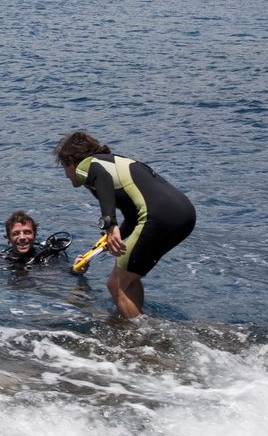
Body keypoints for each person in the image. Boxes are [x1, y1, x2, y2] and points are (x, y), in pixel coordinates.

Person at [54, 130, 195, 319]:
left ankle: (141, 341)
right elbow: (133, 216)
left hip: (158, 216)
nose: (66, 175)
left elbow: (101, 178)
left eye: (64, 167)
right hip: (184, 214)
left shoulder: (89, 165)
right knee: (130, 279)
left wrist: (110, 225)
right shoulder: (112, 161)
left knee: (116, 285)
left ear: (72, 161)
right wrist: (105, 241)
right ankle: (137, 323)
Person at [0, 210, 73, 268]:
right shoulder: (1, 260)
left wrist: (76, 271)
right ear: (9, 238)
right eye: (16, 233)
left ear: (34, 235)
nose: (22, 237)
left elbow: (66, 274)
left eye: (27, 232)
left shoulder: (49, 257)